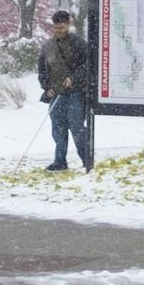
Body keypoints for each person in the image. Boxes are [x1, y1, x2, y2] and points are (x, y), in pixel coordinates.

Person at [36, 10, 92, 171]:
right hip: (56, 93)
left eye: (61, 28)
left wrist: (73, 78)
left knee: (76, 127)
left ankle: (87, 161)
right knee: (58, 129)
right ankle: (60, 162)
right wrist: (47, 89)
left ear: (68, 24)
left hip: (76, 93)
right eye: (55, 28)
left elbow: (87, 65)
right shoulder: (47, 46)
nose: (58, 31)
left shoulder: (79, 43)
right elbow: (42, 70)